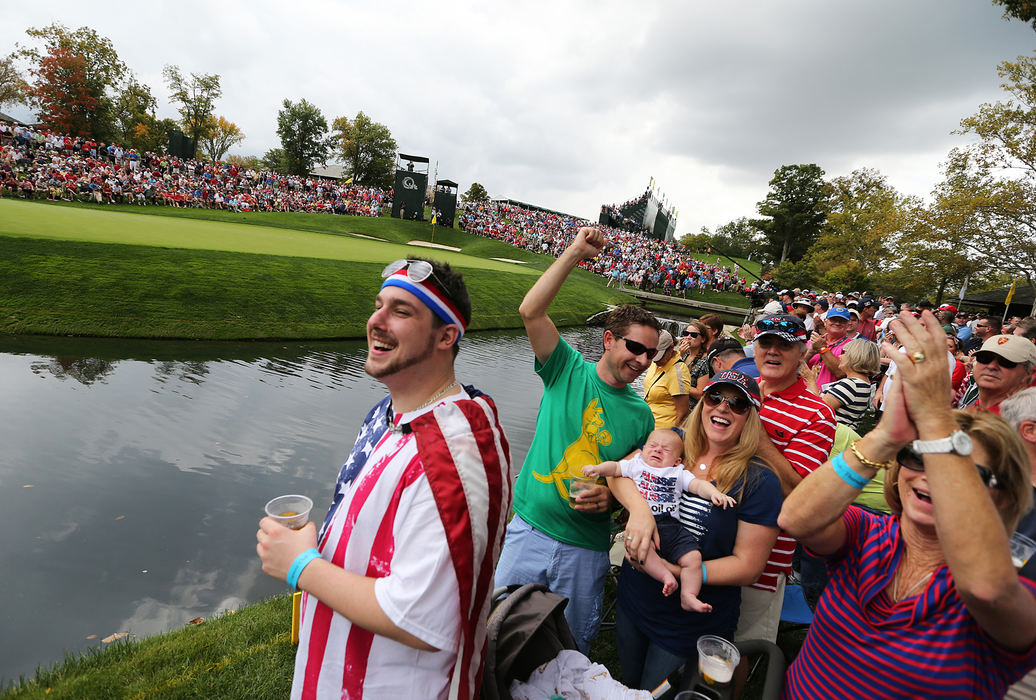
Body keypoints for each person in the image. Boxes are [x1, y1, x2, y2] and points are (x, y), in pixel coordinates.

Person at [256, 258, 512, 699]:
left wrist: (302, 565)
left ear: (446, 336)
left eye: (401, 311)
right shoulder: (393, 413)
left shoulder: (453, 455)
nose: (376, 321)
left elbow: (422, 619)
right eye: (379, 305)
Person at [780, 310, 1036, 699]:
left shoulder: (1003, 580)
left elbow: (986, 591)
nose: (931, 475)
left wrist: (934, 419)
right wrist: (885, 436)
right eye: (919, 458)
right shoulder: (872, 533)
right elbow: (795, 518)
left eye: (961, 472)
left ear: (1002, 496)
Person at [493, 226, 659, 653]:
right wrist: (574, 252)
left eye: (650, 354)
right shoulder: (566, 368)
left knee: (569, 650)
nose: (640, 360)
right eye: (633, 347)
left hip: (586, 549)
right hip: (529, 529)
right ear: (608, 339)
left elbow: (631, 482)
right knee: (498, 634)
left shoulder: (642, 415)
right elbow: (530, 310)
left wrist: (612, 499)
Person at [612, 370, 782, 691]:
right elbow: (618, 474)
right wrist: (638, 511)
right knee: (628, 685)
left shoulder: (760, 480)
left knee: (656, 694)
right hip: (634, 599)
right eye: (715, 397)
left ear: (750, 417)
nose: (722, 408)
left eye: (737, 404)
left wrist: (676, 570)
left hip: (690, 622)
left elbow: (748, 566)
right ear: (703, 402)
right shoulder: (673, 443)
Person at [583, 427, 736, 613]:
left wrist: (714, 493)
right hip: (644, 524)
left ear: (677, 460)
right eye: (652, 446)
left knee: (694, 558)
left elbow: (698, 485)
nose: (657, 450)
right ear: (644, 449)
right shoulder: (637, 464)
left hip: (672, 526)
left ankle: (688, 595)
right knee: (643, 551)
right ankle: (665, 576)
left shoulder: (677, 472)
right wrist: (597, 469)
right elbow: (614, 468)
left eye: (665, 450)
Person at [750, 313, 836, 622]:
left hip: (764, 557)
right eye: (766, 343)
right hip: (706, 537)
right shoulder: (739, 390)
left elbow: (798, 492)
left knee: (735, 647)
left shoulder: (818, 414)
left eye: (784, 346)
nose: (772, 351)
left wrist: (755, 431)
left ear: (802, 352)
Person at [803, 339, 879, 431]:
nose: (840, 356)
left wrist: (810, 379)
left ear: (855, 357)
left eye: (844, 353)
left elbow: (819, 408)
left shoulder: (851, 384)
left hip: (831, 435)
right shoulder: (862, 382)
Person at [969, 335, 1036, 415]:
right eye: (984, 358)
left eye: (1005, 362)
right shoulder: (975, 408)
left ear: (1029, 372)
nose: (991, 366)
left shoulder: (1023, 420)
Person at [643, 330, 693, 429]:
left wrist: (672, 436)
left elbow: (683, 413)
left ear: (671, 348)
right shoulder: (656, 362)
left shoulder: (678, 371)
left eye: (660, 356)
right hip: (647, 425)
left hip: (663, 431)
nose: (656, 360)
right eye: (653, 354)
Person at [806, 304, 852, 391]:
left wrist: (823, 349)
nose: (837, 323)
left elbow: (841, 373)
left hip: (829, 397)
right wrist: (810, 353)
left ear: (848, 324)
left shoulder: (851, 346)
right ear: (825, 321)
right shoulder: (813, 342)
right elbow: (796, 369)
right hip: (805, 394)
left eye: (842, 321)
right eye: (833, 320)